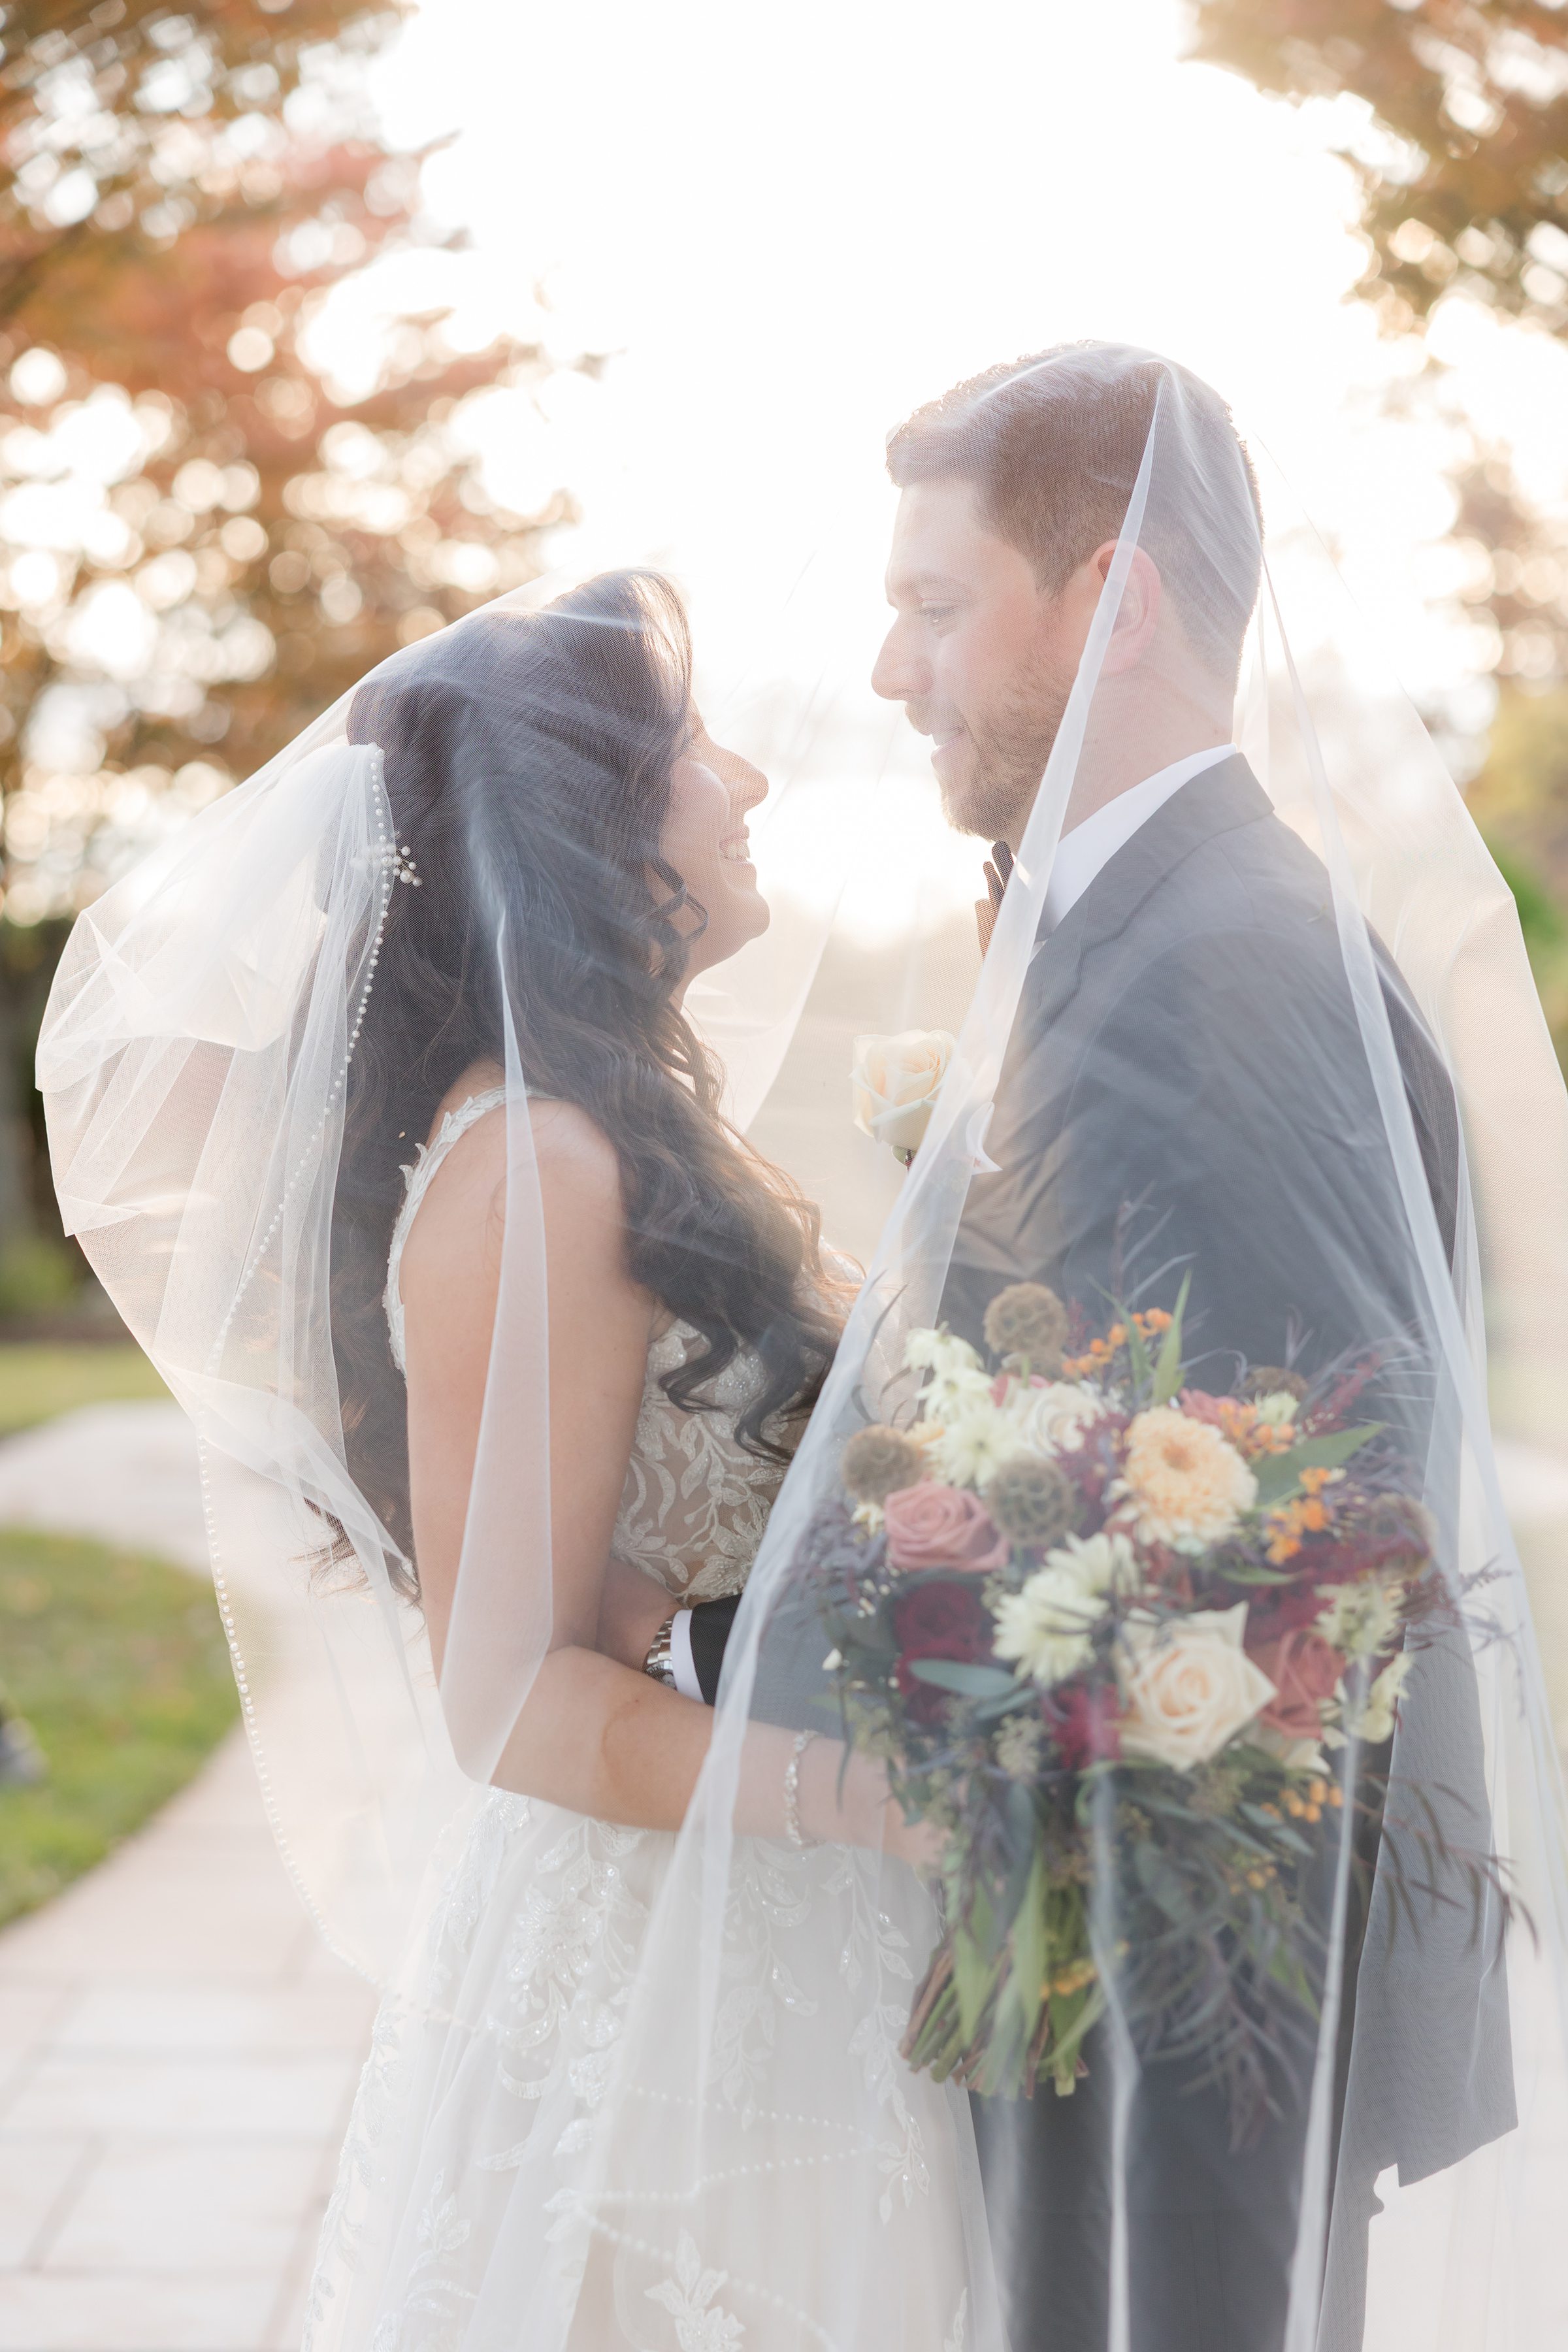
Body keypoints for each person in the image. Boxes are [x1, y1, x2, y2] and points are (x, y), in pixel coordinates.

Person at [649, 346, 1518, 2350]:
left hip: (1189, 1988)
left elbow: (1238, 1546)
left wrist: (694, 1651)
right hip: (1135, 1944)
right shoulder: (1153, 925)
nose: (889, 674)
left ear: (1111, 599)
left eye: (937, 607)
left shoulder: (1217, 967)